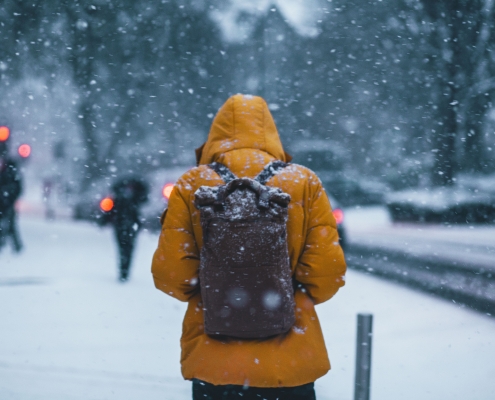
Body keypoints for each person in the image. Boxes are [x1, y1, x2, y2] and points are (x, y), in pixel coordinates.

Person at [151, 94, 347, 400]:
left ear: (215, 135)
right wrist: (284, 294)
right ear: (270, 133)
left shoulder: (192, 185)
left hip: (214, 366)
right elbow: (327, 274)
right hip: (290, 364)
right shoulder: (304, 182)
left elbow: (171, 275)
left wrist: (217, 291)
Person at [101, 177, 149, 282]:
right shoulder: (133, 197)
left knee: (125, 249)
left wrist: (104, 220)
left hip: (124, 225)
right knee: (126, 249)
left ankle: (124, 271)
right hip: (127, 225)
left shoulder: (123, 196)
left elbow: (110, 210)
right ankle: (124, 271)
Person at [0, 140, 23, 253]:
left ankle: (16, 246)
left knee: (10, 224)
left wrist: (8, 196)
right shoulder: (10, 168)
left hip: (7, 203)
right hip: (5, 201)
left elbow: (18, 186)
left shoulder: (11, 168)